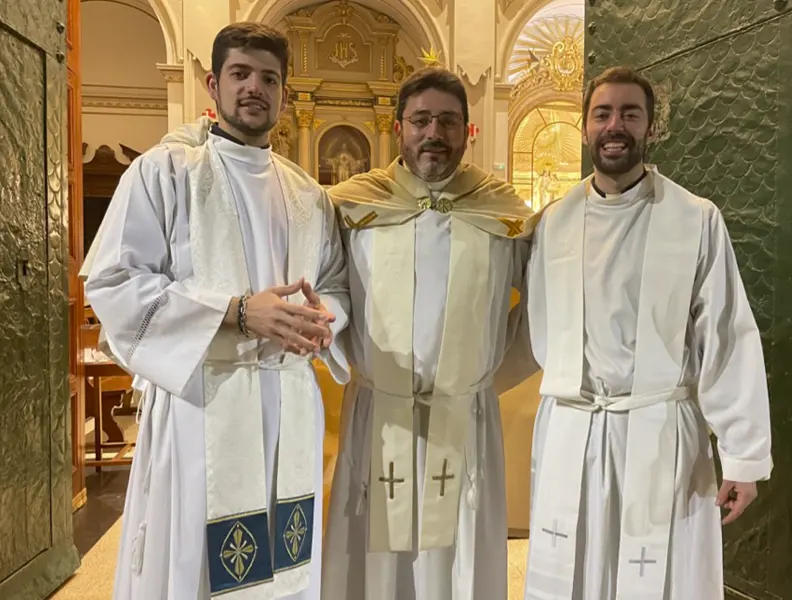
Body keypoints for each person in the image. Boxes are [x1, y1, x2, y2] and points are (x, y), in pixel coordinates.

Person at [80, 22, 350, 600]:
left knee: (285, 564)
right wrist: (235, 312)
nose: (255, 87)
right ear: (213, 83)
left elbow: (336, 285)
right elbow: (113, 282)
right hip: (203, 402)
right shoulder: (165, 172)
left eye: (269, 78)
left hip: (285, 402)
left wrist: (323, 320)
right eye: (240, 74)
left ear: (285, 92)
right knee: (198, 565)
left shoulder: (309, 195)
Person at [523, 66, 773, 600]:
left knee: (662, 577)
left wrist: (744, 456)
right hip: (573, 430)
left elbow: (726, 335)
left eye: (630, 114)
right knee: (573, 573)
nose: (616, 125)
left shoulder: (695, 218)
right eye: (603, 113)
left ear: (651, 127)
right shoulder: (552, 223)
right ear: (585, 128)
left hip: (663, 432)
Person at [321, 67, 540, 600]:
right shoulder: (353, 207)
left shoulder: (504, 214)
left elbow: (540, 306)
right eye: (420, 120)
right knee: (377, 563)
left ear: (469, 130)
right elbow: (332, 289)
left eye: (448, 121)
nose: (433, 134)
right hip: (380, 412)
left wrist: (481, 379)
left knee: (457, 556)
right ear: (399, 128)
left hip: (464, 416)